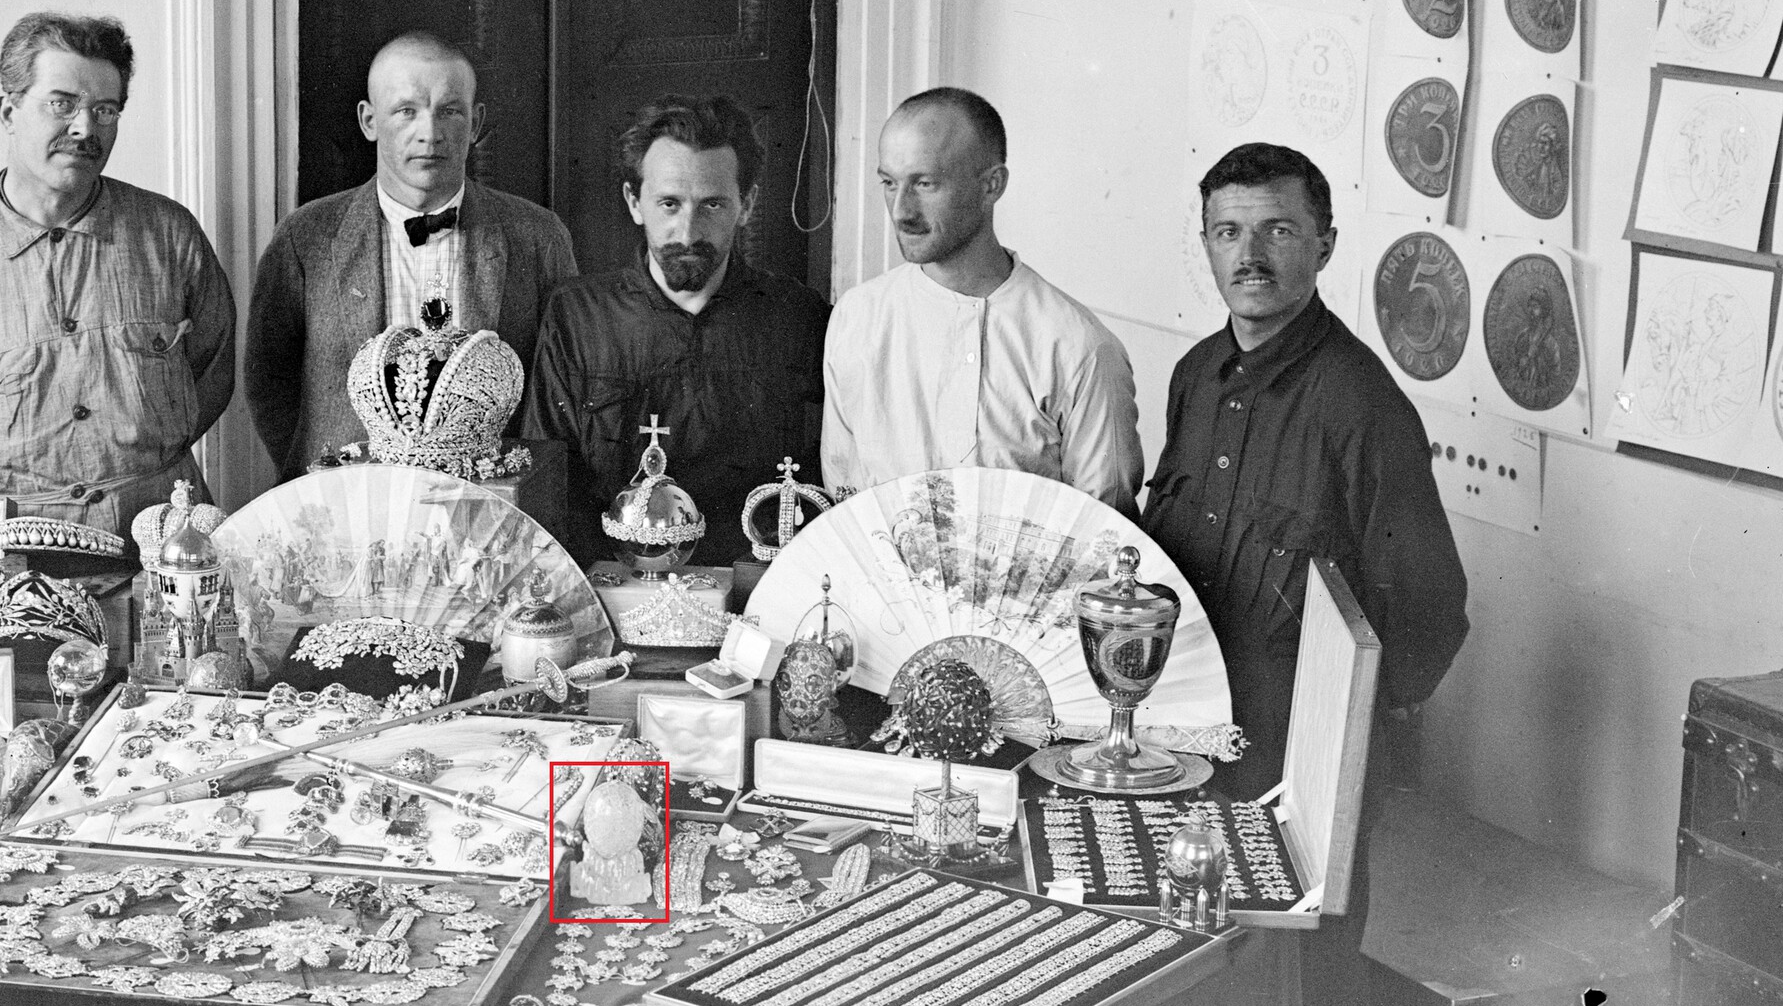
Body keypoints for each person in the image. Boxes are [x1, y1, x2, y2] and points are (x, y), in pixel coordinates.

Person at [1141, 141, 1470, 806]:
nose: (1249, 256)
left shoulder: (1363, 404)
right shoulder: (1196, 376)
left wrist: (1346, 738)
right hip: (1175, 738)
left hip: (1291, 760)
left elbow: (1431, 608)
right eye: (1228, 232)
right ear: (1206, 243)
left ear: (1325, 247)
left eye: (1278, 230)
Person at [0, 11, 237, 534]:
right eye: (62, 104)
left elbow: (213, 375)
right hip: (10, 558)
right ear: (9, 111)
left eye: (105, 110)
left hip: (162, 546)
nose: (84, 128)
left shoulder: (170, 234)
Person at [244, 30, 575, 479]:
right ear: (369, 120)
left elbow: (558, 391)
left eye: (450, 112)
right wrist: (325, 478)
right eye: (406, 111)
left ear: (476, 123)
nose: (430, 133)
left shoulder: (538, 238)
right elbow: (268, 384)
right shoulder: (306, 238)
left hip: (487, 508)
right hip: (346, 508)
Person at [523, 95, 826, 565]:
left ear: (747, 205)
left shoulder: (798, 318)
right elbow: (546, 483)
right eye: (669, 203)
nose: (688, 231)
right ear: (634, 202)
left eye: (712, 204)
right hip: (609, 589)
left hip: (756, 596)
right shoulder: (577, 316)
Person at [821, 86, 1142, 511]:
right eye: (889, 183)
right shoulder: (857, 318)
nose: (901, 210)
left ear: (992, 185)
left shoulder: (1078, 346)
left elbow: (1103, 531)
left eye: (925, 183)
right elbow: (844, 500)